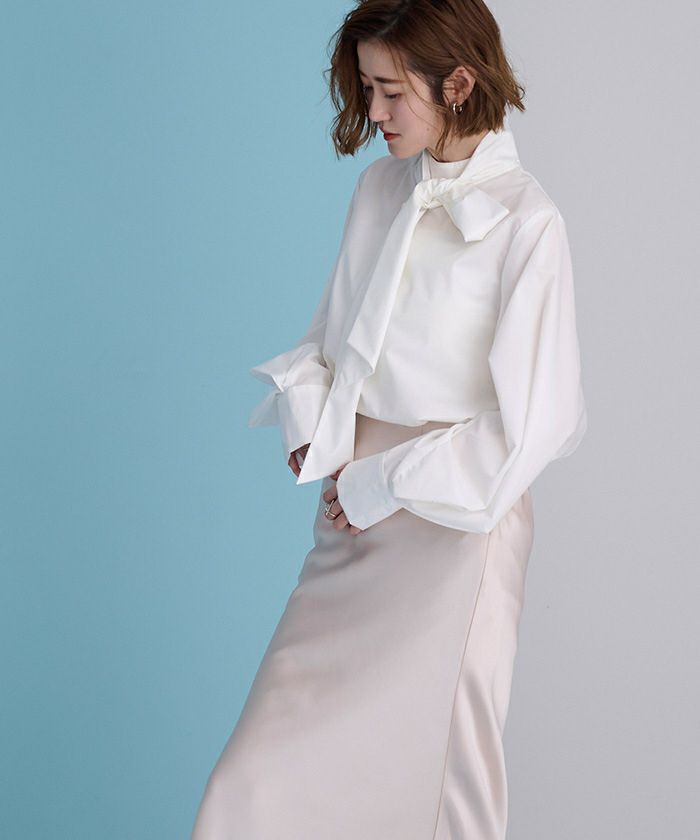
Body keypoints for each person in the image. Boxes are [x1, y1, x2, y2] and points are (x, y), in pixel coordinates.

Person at [190, 1, 587, 837]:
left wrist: (379, 482)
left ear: (459, 83)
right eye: (365, 88)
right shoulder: (379, 189)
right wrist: (314, 428)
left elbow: (531, 426)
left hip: (454, 534)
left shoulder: (527, 223)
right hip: (349, 522)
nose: (373, 112)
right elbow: (330, 341)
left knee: (443, 788)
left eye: (390, 91)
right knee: (251, 790)